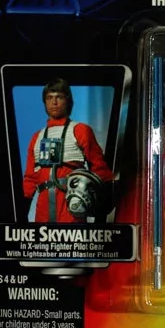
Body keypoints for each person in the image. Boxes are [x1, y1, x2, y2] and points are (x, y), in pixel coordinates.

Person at [23, 79, 113, 222]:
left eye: (59, 97)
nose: (54, 102)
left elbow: (99, 168)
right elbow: (30, 179)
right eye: (49, 98)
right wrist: (21, 213)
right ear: (45, 102)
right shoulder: (36, 138)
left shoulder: (80, 130)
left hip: (72, 205)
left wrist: (103, 206)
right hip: (43, 210)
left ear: (68, 101)